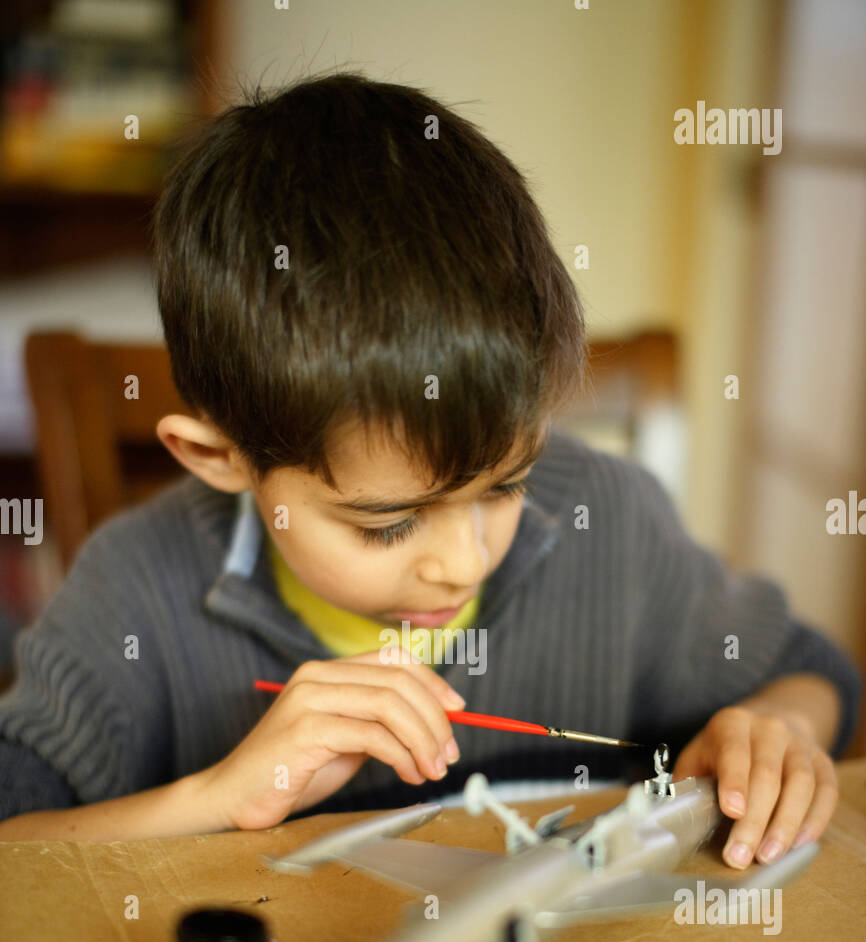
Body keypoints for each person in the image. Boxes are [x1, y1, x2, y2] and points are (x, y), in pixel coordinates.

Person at [0, 73, 859, 869]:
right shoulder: (135, 590)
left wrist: (776, 728)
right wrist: (217, 796)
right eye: (389, 523)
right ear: (219, 457)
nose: (461, 560)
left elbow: (810, 670)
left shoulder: (612, 525)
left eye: (506, 484)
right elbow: (16, 842)